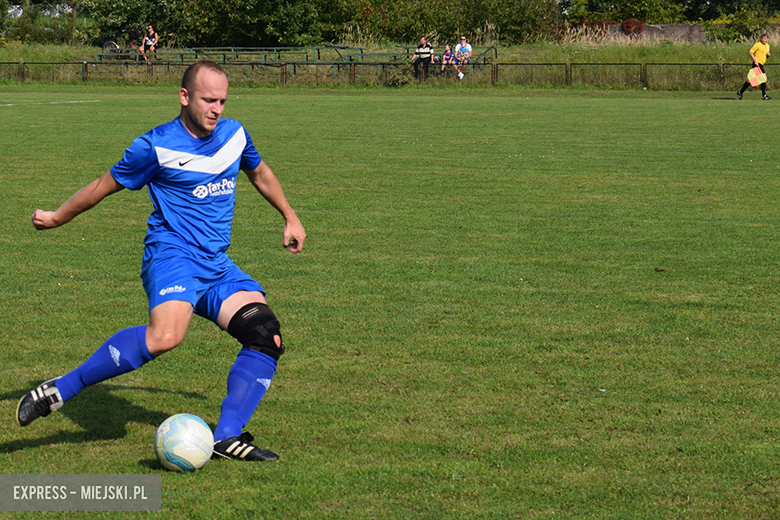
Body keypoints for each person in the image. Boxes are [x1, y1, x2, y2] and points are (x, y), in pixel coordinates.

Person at [17, 60, 306, 463]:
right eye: (208, 99)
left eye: (222, 100)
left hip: (215, 264)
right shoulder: (155, 146)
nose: (217, 109)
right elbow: (103, 186)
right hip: (172, 256)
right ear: (185, 97)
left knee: (265, 334)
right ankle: (61, 389)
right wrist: (56, 217)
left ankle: (226, 436)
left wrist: (290, 217)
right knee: (166, 337)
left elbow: (259, 173)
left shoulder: (234, 134)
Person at [738, 33, 771, 100]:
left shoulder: (767, 46)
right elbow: (751, 52)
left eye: (765, 38)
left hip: (761, 64)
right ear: (760, 39)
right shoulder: (758, 45)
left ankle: (740, 92)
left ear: (767, 39)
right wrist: (755, 61)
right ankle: (764, 95)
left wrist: (768, 55)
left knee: (751, 80)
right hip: (757, 64)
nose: (764, 40)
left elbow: (764, 55)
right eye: (762, 38)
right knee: (764, 78)